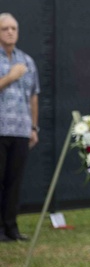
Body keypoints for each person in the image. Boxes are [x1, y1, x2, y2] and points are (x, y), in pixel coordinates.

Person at [0, 13, 39, 242]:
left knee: (14, 181)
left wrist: (34, 127)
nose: (10, 32)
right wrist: (10, 77)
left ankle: (11, 227)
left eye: (14, 28)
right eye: (5, 28)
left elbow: (33, 96)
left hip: (20, 130)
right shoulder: (14, 68)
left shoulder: (27, 61)